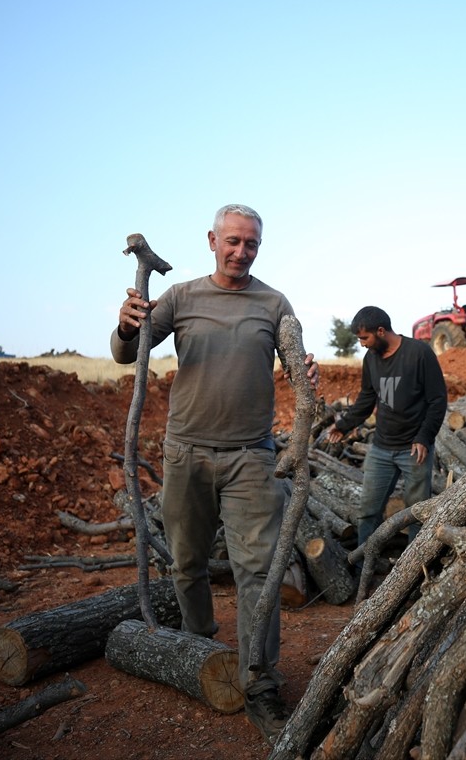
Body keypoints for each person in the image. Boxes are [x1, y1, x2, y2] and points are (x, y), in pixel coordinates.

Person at [112, 203, 317, 745]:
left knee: (259, 571)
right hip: (185, 454)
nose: (241, 251)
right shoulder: (181, 297)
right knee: (186, 561)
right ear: (211, 240)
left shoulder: (273, 303)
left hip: (252, 456)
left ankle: (261, 680)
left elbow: (297, 364)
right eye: (232, 241)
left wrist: (305, 370)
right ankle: (200, 644)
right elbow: (124, 354)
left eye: (251, 244)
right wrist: (125, 323)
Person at [327, 306, 448, 550]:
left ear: (380, 331)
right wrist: (343, 426)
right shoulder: (370, 359)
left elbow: (438, 400)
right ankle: (363, 564)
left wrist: (424, 437)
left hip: (414, 449)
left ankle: (412, 571)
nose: (362, 344)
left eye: (364, 338)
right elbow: (366, 399)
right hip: (381, 448)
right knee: (368, 510)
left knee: (417, 514)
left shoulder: (419, 353)